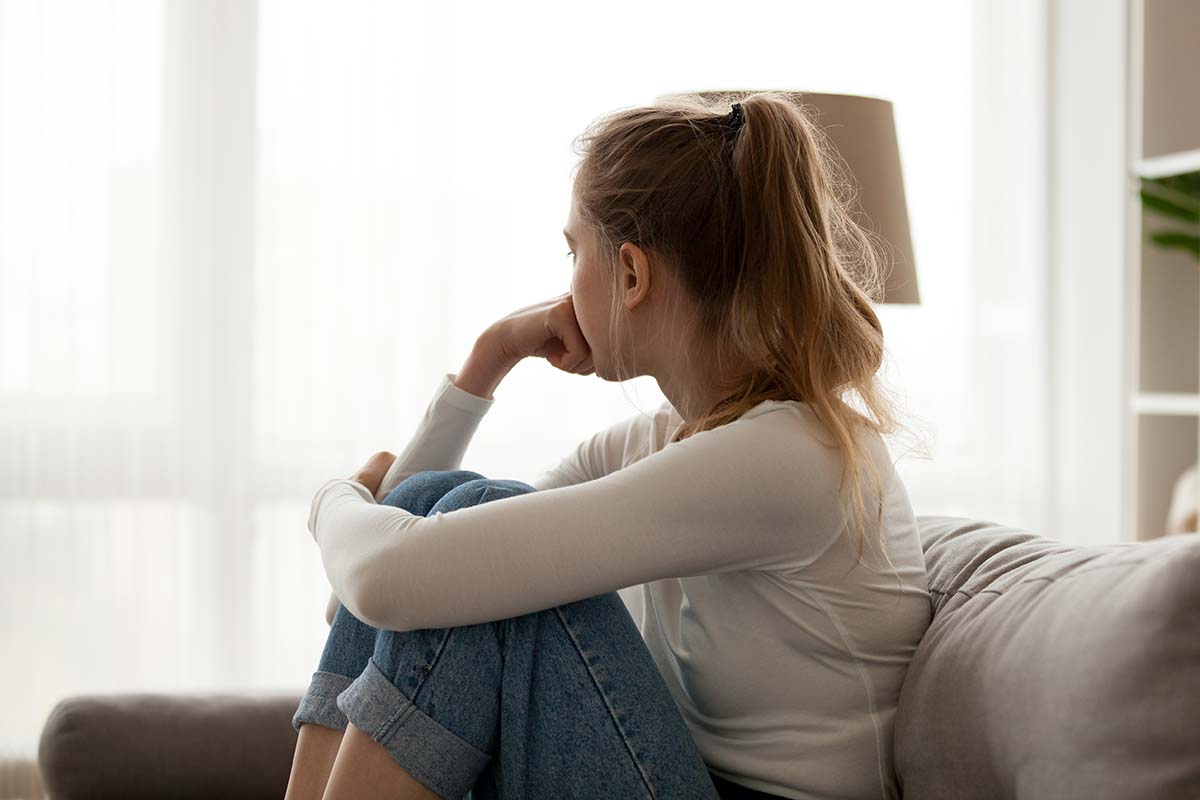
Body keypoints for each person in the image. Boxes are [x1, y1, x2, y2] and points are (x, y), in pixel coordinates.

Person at [284, 92, 932, 800]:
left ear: (630, 274)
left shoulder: (788, 459)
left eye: (573, 253)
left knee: (478, 539)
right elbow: (388, 582)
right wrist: (488, 360)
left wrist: (331, 501)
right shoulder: (665, 440)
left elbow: (386, 578)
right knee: (457, 515)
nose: (564, 285)